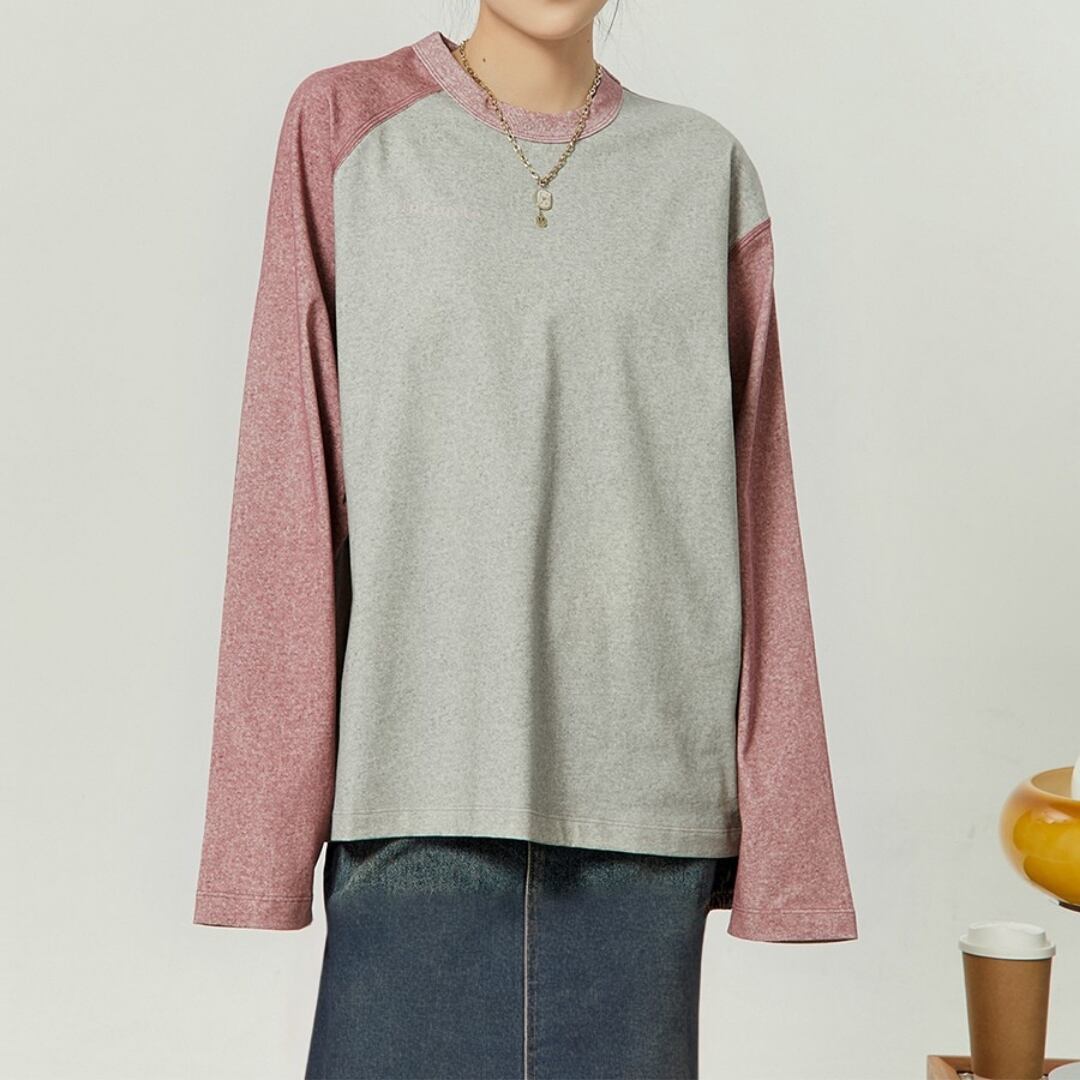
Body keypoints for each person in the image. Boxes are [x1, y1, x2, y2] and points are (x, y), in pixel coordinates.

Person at [192, 2, 858, 1076]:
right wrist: (262, 833)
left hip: (640, 822)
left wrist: (788, 838)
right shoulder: (347, 128)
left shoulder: (704, 172)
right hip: (417, 792)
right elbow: (291, 476)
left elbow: (761, 509)